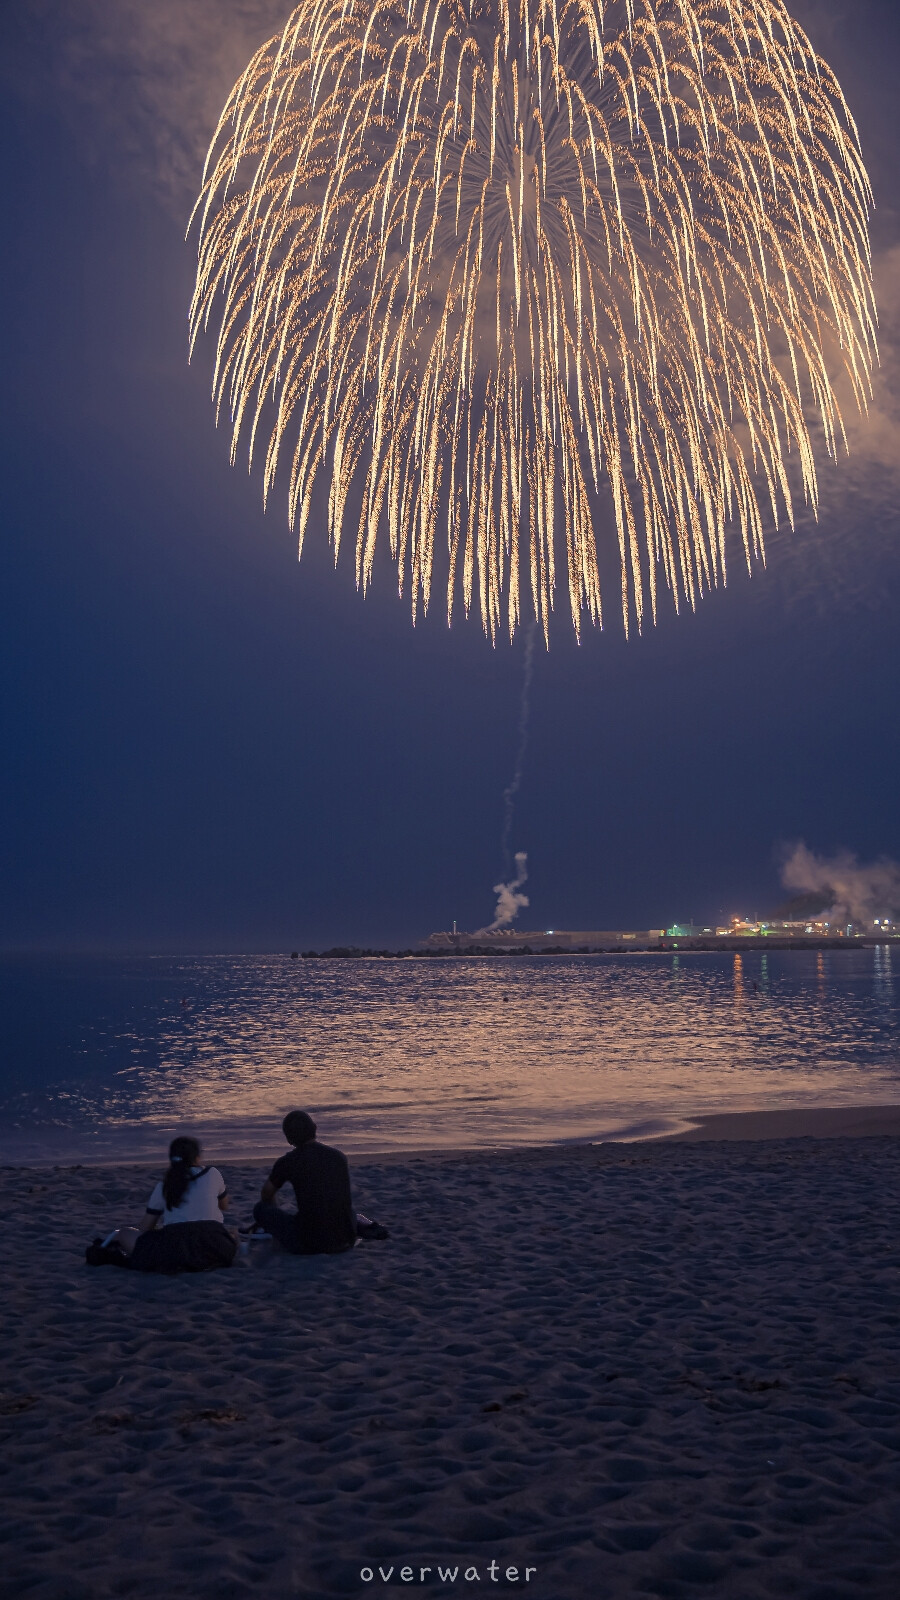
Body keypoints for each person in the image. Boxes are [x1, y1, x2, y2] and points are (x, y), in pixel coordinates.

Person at [90, 1136, 236, 1273]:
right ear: (196, 1157)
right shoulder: (213, 1174)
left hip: (176, 1249)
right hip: (214, 1245)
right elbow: (224, 1206)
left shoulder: (165, 1186)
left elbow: (145, 1227)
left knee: (124, 1234)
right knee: (232, 1235)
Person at [252, 1111, 357, 1255]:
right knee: (346, 1210)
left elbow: (266, 1193)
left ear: (289, 1139)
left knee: (260, 1209)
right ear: (315, 1128)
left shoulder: (288, 1162)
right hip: (346, 1239)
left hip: (309, 1242)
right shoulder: (338, 1157)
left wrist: (273, 1208)